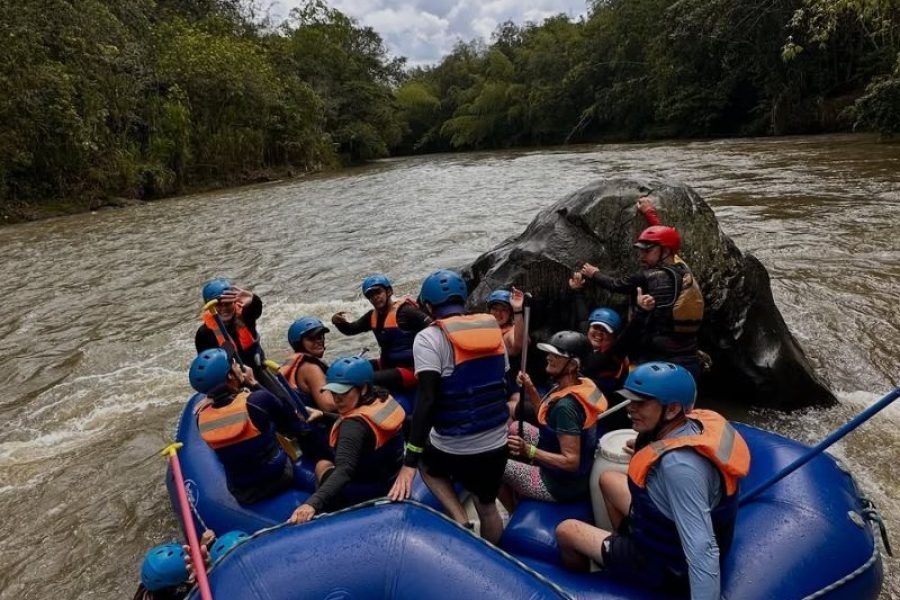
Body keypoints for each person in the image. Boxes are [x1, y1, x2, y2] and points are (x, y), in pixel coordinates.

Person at [555, 362, 750, 599]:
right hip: (664, 525)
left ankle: (589, 583)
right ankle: (619, 545)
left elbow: (702, 551)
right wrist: (641, 444)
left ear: (671, 410)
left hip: (666, 565)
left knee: (566, 531)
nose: (631, 409)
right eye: (631, 400)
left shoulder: (679, 467)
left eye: (641, 403)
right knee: (608, 480)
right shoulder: (691, 423)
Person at [387, 269, 509, 544]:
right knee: (488, 506)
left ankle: (459, 518)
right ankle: (494, 553)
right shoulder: (493, 330)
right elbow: (502, 379)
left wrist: (409, 461)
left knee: (426, 464)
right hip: (496, 440)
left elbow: (427, 400)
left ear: (428, 306)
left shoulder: (428, 338)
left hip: (455, 444)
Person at [579, 197, 705, 379]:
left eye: (647, 251)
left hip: (657, 363)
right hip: (688, 359)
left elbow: (616, 285)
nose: (641, 256)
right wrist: (650, 214)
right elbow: (667, 239)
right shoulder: (683, 268)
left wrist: (594, 273)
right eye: (641, 251)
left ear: (665, 252)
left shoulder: (645, 278)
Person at [190, 348, 324, 505]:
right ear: (230, 376)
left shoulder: (201, 417)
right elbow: (294, 424)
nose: (239, 367)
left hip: (242, 491)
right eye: (234, 366)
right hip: (280, 476)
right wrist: (254, 383)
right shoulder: (257, 401)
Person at [288, 356, 405, 524]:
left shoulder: (352, 427)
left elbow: (344, 471)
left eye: (343, 392)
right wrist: (324, 415)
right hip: (392, 474)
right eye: (333, 392)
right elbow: (368, 424)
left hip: (368, 490)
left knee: (323, 464)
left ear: (363, 388)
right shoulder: (381, 397)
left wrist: (311, 504)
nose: (337, 399)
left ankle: (330, 511)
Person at [502, 331, 607, 507]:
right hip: (567, 458)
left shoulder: (566, 407)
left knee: (494, 467)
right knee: (515, 428)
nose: (548, 357)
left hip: (561, 485)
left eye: (555, 355)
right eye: (549, 353)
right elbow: (545, 414)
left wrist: (529, 450)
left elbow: (571, 461)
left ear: (572, 365)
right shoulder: (579, 383)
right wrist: (530, 388)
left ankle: (511, 511)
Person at [195, 278, 290, 402]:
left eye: (228, 303)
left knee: (283, 401)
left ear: (234, 302)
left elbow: (255, 309)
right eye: (219, 305)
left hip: (256, 371)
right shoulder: (204, 333)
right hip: (231, 381)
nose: (224, 308)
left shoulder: (244, 315)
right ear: (210, 307)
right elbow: (207, 365)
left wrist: (253, 299)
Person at [331, 274, 431, 390]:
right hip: (387, 365)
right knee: (349, 371)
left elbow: (432, 326)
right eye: (370, 295)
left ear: (389, 291)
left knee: (364, 378)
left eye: (378, 292)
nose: (375, 297)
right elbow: (351, 329)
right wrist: (338, 322)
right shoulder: (372, 316)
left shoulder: (406, 311)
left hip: (411, 369)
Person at [279, 316, 337, 412]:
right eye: (312, 338)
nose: (319, 341)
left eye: (320, 336)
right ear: (299, 343)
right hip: (319, 424)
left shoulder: (300, 363)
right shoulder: (311, 369)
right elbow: (328, 405)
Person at [487, 288, 528, 417]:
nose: (498, 313)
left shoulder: (511, 331)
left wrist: (517, 310)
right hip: (489, 384)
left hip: (511, 386)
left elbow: (518, 344)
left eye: (504, 309)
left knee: (514, 406)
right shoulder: (481, 330)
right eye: (495, 309)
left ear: (510, 313)